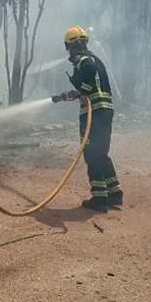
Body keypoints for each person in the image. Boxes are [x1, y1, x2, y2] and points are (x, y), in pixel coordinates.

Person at [55, 26, 122, 213]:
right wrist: (68, 95)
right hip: (105, 110)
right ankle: (114, 193)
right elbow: (92, 80)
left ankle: (100, 199)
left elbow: (88, 76)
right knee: (101, 153)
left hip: (95, 112)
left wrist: (82, 91)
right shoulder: (95, 59)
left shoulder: (83, 60)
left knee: (92, 153)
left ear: (70, 46)